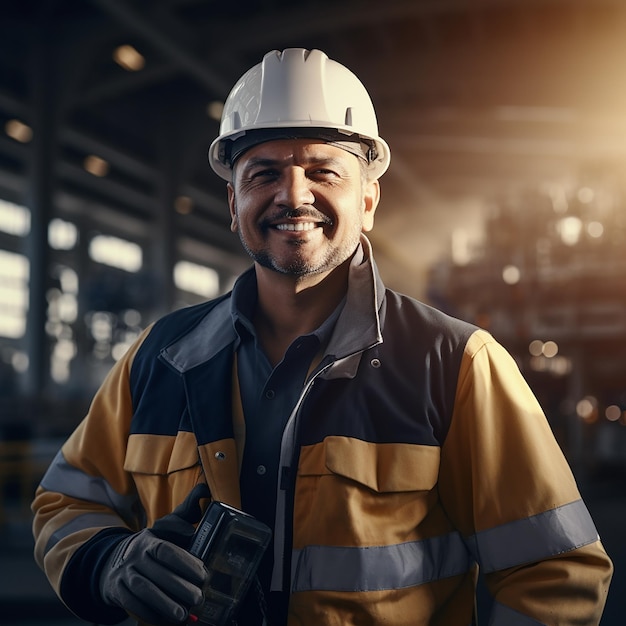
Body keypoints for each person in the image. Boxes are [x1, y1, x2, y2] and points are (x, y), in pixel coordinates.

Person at [32, 48, 612, 626]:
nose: (293, 195)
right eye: (263, 173)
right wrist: (112, 562)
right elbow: (67, 502)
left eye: (322, 171)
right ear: (233, 202)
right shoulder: (160, 357)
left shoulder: (455, 364)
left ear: (367, 199)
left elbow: (554, 573)